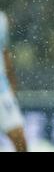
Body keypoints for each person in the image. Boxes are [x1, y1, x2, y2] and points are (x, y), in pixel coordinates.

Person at [0, 11, 27, 152]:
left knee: (19, 138)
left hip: (2, 91)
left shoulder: (1, 19)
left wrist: (12, 82)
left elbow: (4, 51)